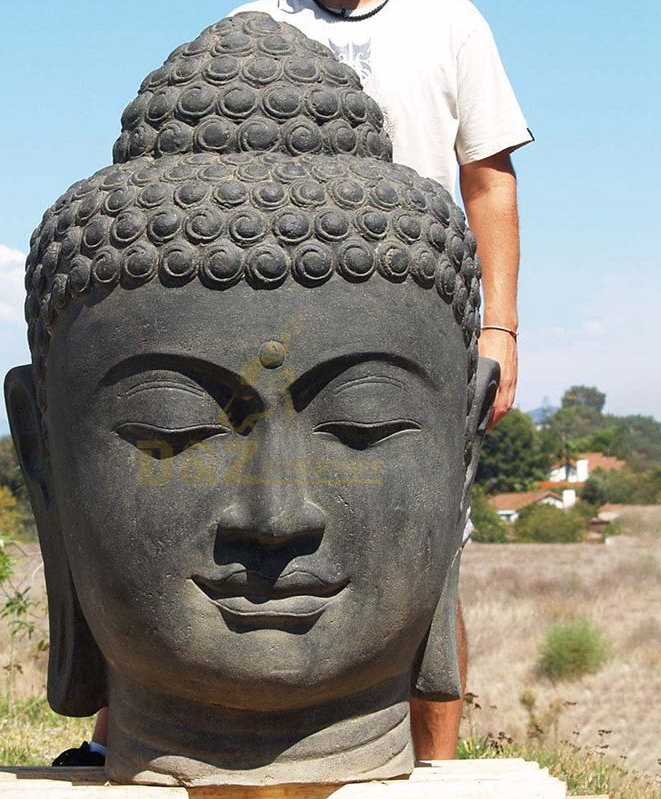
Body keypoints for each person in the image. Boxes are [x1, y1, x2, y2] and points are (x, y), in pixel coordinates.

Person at [53, 0, 531, 767]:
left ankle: (435, 755)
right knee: (152, 538)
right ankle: (114, 736)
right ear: (42, 460)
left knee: (426, 557)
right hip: (252, 290)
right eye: (172, 427)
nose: (276, 515)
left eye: (363, 428)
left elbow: (489, 178)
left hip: (399, 294)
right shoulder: (257, 11)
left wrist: (497, 326)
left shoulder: (449, 22)